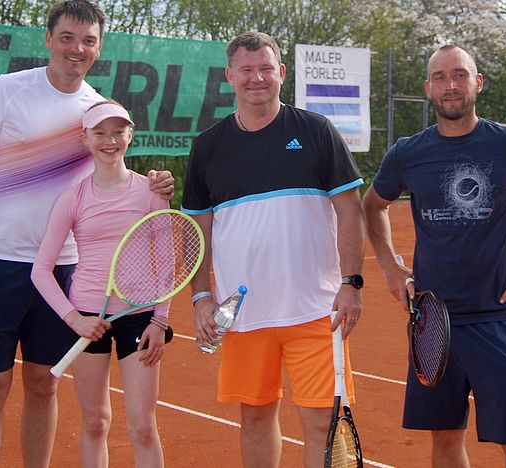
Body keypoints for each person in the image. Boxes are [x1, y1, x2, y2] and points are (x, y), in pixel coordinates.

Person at [0, 2, 174, 466]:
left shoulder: (97, 111)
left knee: (43, 384)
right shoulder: (6, 90)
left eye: (88, 41)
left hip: (63, 271)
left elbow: (113, 175)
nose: (77, 49)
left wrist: (156, 183)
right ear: (48, 39)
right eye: (67, 37)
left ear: (99, 47)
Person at [362, 44, 506, 468]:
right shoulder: (408, 152)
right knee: (445, 443)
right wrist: (390, 266)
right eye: (440, 77)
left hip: (497, 319)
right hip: (433, 322)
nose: (450, 85)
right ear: (427, 88)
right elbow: (372, 206)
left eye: (460, 75)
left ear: (477, 83)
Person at [181, 32, 366, 468]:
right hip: (244, 314)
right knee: (255, 417)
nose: (257, 78)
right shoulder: (207, 146)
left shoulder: (316, 131)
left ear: (281, 73)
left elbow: (350, 210)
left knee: (321, 423)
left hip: (316, 310)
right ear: (230, 76)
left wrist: (351, 283)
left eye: (265, 68)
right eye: (246, 70)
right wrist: (201, 296)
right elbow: (196, 231)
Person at [31, 100, 170, 467]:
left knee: (143, 426)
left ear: (130, 135)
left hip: (140, 318)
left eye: (118, 132)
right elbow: (41, 270)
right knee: (95, 422)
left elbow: (167, 265)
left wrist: (160, 320)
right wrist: (75, 319)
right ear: (86, 139)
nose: (110, 141)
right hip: (87, 318)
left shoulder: (152, 192)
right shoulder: (72, 198)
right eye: (100, 133)